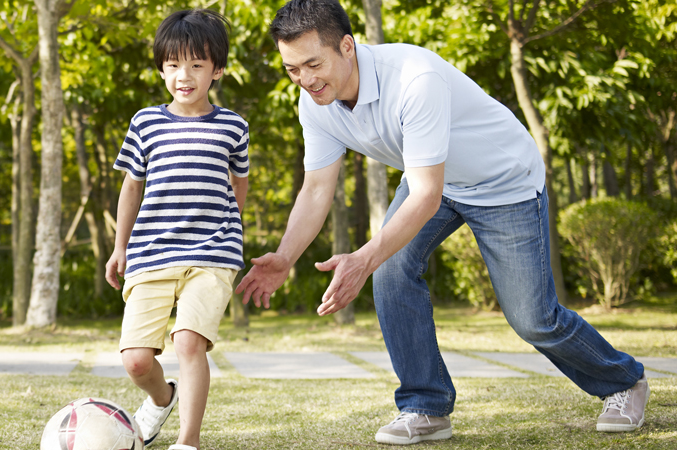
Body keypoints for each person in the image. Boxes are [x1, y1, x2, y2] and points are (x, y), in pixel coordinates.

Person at [235, 0, 648, 445]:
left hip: (502, 182)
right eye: (292, 68)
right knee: (391, 271)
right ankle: (424, 405)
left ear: (347, 47)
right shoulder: (315, 101)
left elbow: (427, 195)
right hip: (433, 178)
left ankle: (625, 382)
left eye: (313, 64)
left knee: (533, 319)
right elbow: (316, 189)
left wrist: (363, 258)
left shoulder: (413, 77)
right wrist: (284, 256)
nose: (304, 79)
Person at [104, 9, 249, 450]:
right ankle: (163, 397)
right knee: (135, 361)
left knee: (189, 343)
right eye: (172, 65)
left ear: (217, 70)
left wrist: (231, 232)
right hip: (151, 254)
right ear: (162, 67)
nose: (182, 75)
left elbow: (238, 185)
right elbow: (132, 188)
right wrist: (119, 247)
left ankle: (188, 441)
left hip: (212, 255)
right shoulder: (145, 122)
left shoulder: (233, 126)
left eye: (196, 65)